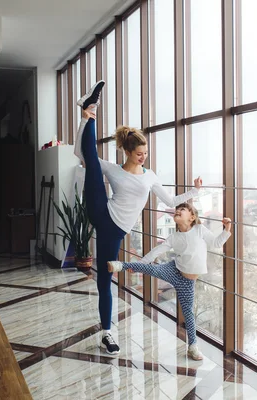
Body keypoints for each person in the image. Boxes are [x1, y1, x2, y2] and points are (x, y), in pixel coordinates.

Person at [74, 80, 203, 355]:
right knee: (92, 160)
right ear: (128, 152)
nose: (144, 157)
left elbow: (169, 200)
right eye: (140, 153)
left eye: (146, 153)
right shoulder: (114, 169)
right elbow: (80, 155)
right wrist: (84, 125)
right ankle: (89, 110)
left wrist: (195, 191)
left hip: (115, 231)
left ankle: (105, 334)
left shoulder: (150, 176)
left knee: (104, 279)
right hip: (101, 211)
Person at [107, 203, 232, 360]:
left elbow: (216, 243)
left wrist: (226, 229)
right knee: (153, 269)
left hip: (187, 282)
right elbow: (157, 251)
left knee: (188, 313)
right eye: (177, 210)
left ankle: (193, 347)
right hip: (174, 270)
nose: (178, 211)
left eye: (183, 210)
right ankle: (121, 265)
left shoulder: (200, 230)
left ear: (192, 217)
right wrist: (142, 264)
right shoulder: (174, 237)